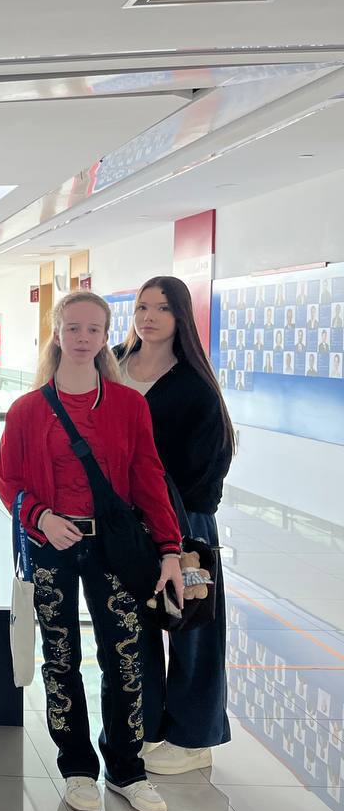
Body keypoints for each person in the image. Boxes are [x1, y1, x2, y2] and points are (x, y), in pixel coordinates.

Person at [0, 291, 183, 811]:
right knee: (60, 657)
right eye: (73, 328)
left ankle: (126, 770)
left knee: (124, 655)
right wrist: (41, 519)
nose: (82, 338)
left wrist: (170, 549)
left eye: (93, 329)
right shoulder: (28, 409)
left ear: (106, 337)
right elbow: (7, 479)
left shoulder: (128, 406)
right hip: (52, 547)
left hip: (113, 547)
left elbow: (149, 479)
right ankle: (77, 767)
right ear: (57, 334)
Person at [117, 276, 236, 776]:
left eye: (162, 309)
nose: (149, 317)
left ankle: (193, 739)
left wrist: (169, 519)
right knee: (134, 627)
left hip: (184, 521)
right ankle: (143, 728)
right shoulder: (113, 365)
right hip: (124, 521)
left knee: (191, 627)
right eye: (142, 307)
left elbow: (209, 464)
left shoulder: (194, 385)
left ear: (181, 317)